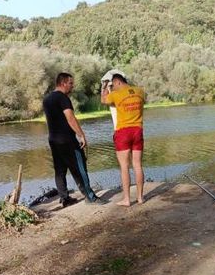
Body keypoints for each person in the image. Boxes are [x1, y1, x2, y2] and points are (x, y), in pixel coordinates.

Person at [43, 72, 105, 207]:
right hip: (67, 140)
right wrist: (81, 135)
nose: (72, 86)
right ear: (63, 83)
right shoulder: (63, 98)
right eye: (70, 83)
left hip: (53, 140)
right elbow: (70, 117)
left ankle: (64, 198)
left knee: (60, 171)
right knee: (79, 167)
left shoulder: (47, 99)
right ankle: (90, 197)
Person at [101, 73, 145, 206]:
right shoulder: (140, 91)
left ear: (118, 82)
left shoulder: (116, 94)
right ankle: (140, 198)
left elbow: (103, 100)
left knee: (124, 167)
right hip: (138, 130)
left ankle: (127, 199)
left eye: (113, 85)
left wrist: (104, 87)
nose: (113, 87)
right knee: (137, 165)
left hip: (123, 131)